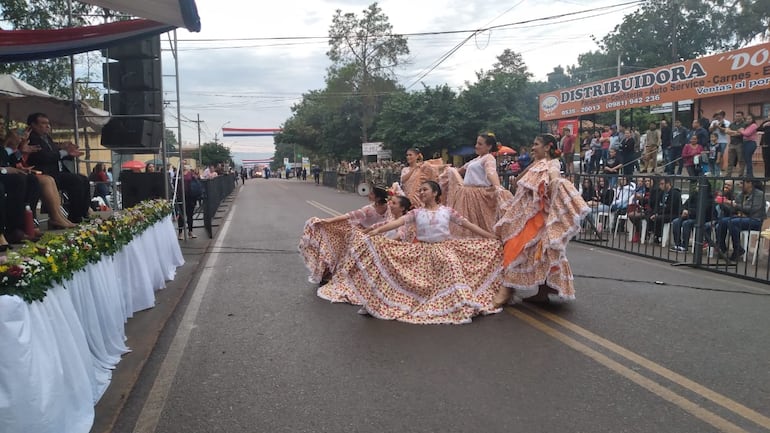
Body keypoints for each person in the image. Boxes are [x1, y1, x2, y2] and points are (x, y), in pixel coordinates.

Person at [319, 180, 501, 324]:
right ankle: (381, 300)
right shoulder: (416, 213)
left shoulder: (447, 211)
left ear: (436, 193)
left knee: (452, 268)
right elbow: (396, 223)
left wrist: (491, 237)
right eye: (420, 190)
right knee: (411, 278)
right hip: (422, 251)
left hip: (445, 249)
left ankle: (459, 303)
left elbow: (468, 225)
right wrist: (375, 232)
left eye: (425, 190)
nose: (421, 193)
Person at [494, 134, 589, 305]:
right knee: (534, 252)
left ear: (547, 147)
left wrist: (554, 182)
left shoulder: (552, 164)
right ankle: (539, 292)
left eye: (536, 144)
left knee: (527, 250)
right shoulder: (537, 165)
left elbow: (553, 178)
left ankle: (508, 290)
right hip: (527, 216)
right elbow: (517, 182)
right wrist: (533, 164)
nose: (532, 147)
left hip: (539, 217)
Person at [299, 185, 390, 284]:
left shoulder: (389, 208)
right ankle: (331, 273)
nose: (369, 194)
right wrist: (328, 221)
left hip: (378, 234)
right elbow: (348, 216)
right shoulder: (368, 209)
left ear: (378, 197)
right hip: (362, 232)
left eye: (372, 193)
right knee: (344, 250)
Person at [440, 132, 513, 238]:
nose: (476, 146)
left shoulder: (488, 158)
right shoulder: (476, 159)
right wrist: (444, 169)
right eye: (477, 143)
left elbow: (490, 172)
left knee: (478, 222)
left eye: (480, 144)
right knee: (466, 223)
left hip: (477, 195)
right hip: (467, 195)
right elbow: (459, 171)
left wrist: (497, 187)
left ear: (489, 146)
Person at [24, 112, 91, 223]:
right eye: (43, 123)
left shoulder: (47, 138)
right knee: (76, 181)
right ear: (33, 125)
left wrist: (69, 153)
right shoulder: (32, 139)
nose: (47, 126)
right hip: (46, 173)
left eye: (48, 123)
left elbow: (57, 153)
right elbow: (44, 156)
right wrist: (64, 152)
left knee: (83, 179)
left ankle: (84, 212)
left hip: (57, 172)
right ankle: (75, 216)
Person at [714, 179, 766, 262]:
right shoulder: (740, 195)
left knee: (733, 223)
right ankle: (722, 248)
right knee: (722, 221)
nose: (740, 185)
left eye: (742, 183)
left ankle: (737, 249)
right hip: (741, 218)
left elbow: (752, 209)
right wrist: (724, 203)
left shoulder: (759, 194)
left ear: (750, 183)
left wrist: (735, 205)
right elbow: (734, 210)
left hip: (755, 220)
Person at [728, 113, 759, 178]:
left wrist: (741, 131)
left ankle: (748, 175)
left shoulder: (753, 125)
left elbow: (746, 133)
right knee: (746, 159)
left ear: (753, 119)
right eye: (747, 119)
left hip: (750, 143)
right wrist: (738, 132)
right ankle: (748, 174)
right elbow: (727, 131)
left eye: (749, 119)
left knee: (746, 159)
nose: (748, 120)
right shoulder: (747, 126)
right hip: (744, 143)